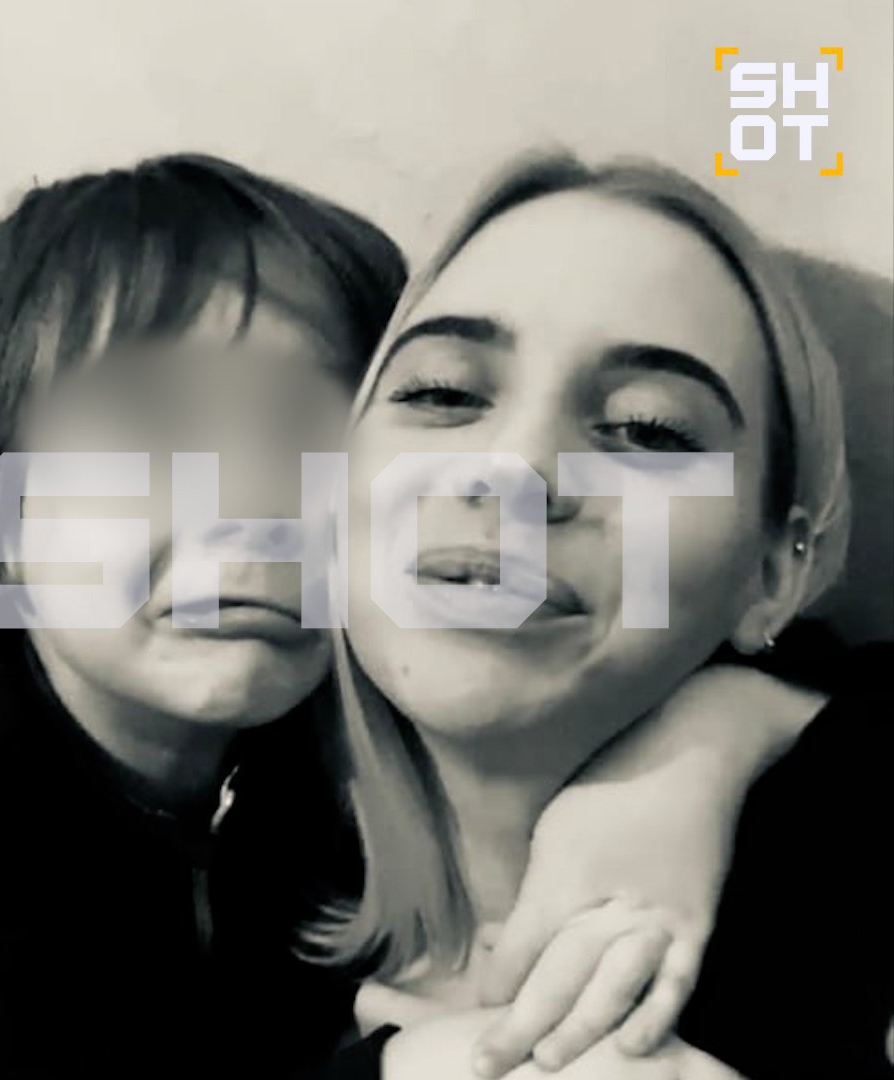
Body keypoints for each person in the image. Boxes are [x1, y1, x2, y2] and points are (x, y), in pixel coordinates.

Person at [0, 152, 848, 1080]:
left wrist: (698, 753)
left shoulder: (313, 749)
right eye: (151, 431)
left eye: (310, 431)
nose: (255, 497)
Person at [306, 152, 893, 1080]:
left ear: (778, 571)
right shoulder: (244, 829)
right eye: (442, 393)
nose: (514, 470)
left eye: (649, 429)